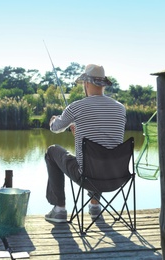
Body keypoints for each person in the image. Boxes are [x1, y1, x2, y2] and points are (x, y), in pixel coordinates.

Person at [44, 64, 126, 223]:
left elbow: (55, 129)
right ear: (103, 85)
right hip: (117, 176)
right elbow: (104, 137)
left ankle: (59, 208)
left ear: (86, 84)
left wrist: (53, 119)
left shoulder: (76, 107)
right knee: (102, 156)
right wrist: (81, 132)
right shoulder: (120, 108)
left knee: (52, 151)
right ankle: (95, 207)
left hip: (87, 177)